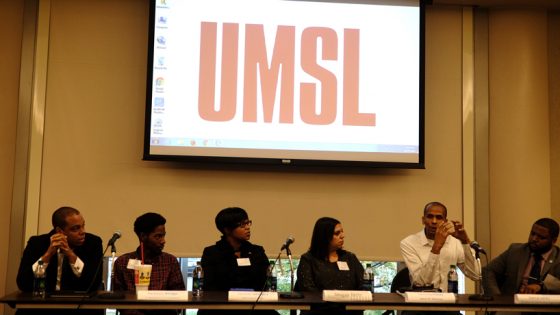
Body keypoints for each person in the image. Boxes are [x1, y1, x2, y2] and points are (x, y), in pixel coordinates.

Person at [16, 206, 103, 315]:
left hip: (79, 306)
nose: (82, 232)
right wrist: (48, 254)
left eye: (83, 226)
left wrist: (69, 253)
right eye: (75, 228)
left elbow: (93, 283)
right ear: (59, 231)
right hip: (43, 306)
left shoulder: (93, 243)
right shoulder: (37, 243)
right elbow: (23, 283)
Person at [399, 202, 480, 315]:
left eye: (439, 217)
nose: (434, 221)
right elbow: (421, 282)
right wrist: (436, 247)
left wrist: (465, 242)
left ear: (445, 222)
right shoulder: (409, 243)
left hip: (448, 305)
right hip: (420, 305)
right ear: (423, 220)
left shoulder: (455, 243)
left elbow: (475, 275)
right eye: (430, 216)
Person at [198, 207, 278, 315]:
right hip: (221, 307)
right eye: (242, 225)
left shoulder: (257, 251)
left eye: (248, 223)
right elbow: (210, 286)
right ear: (227, 230)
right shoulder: (212, 253)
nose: (247, 227)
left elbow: (265, 282)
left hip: (254, 306)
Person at [112, 212, 185, 315]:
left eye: (163, 236)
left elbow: (179, 297)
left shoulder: (170, 261)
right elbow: (119, 300)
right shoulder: (122, 263)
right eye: (158, 236)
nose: (163, 241)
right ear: (143, 236)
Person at [296, 217, 364, 315]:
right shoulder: (308, 260)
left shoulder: (350, 258)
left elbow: (363, 284)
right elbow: (308, 291)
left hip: (348, 310)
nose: (342, 236)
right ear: (324, 237)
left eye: (342, 232)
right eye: (337, 233)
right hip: (319, 312)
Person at [484, 218, 560, 297]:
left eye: (541, 237)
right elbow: (488, 270)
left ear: (553, 241)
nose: (534, 239)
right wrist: (496, 298)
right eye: (533, 234)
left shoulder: (558, 258)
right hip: (512, 306)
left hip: (544, 308)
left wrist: (541, 287)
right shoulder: (515, 251)